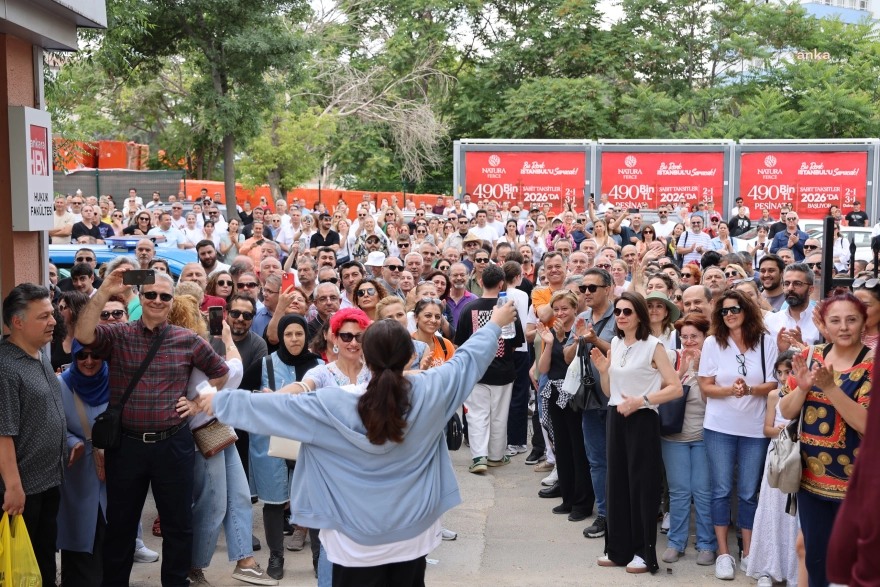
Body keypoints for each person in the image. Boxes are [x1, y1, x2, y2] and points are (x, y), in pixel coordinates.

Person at [199, 301, 517, 586]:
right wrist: (495, 323)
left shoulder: (331, 404)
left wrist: (218, 400)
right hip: (414, 537)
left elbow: (271, 409)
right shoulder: (432, 390)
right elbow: (468, 360)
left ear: (366, 356)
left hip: (351, 544)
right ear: (410, 356)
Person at [74, 269, 230, 587]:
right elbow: (83, 335)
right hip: (127, 447)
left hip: (173, 445)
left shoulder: (187, 339)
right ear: (141, 297)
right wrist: (104, 290)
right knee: (120, 527)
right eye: (151, 294)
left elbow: (221, 371)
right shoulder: (118, 334)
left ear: (172, 301)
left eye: (164, 296)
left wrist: (199, 402)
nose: (158, 300)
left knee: (178, 526)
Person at [163, 296, 273, 586]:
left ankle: (245, 561)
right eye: (198, 314)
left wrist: (200, 399)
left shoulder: (183, 345)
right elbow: (232, 373)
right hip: (200, 435)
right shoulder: (188, 347)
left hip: (216, 429)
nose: (204, 317)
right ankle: (193, 567)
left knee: (238, 496)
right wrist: (226, 338)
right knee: (212, 505)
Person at [780, 288, 873, 587]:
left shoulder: (872, 365)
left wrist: (831, 388)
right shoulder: (810, 355)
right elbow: (785, 409)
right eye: (836, 320)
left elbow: (867, 425)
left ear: (864, 322)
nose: (843, 327)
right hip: (810, 480)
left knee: (856, 561)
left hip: (858, 484)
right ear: (825, 324)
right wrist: (803, 387)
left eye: (851, 320)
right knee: (816, 557)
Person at [591, 292, 683, 574]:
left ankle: (644, 553)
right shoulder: (617, 343)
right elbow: (610, 392)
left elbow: (675, 387)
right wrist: (605, 371)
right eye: (618, 311)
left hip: (642, 419)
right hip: (616, 418)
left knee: (641, 487)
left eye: (627, 311)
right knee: (616, 483)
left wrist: (642, 401)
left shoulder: (654, 346)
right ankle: (618, 549)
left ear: (640, 315)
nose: (620, 316)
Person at [696, 290, 778, 581]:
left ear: (747, 310)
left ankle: (749, 553)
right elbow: (705, 386)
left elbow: (772, 383)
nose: (729, 314)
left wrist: (750, 390)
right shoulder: (712, 343)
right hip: (719, 427)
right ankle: (724, 554)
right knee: (720, 491)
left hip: (755, 429)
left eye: (735, 309)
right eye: (723, 311)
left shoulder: (766, 341)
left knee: (747, 493)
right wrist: (732, 390)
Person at [0, 283, 67, 584]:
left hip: (47, 481)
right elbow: (3, 434)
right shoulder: (5, 367)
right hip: (22, 490)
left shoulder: (38, 354)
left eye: (52, 314)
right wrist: (13, 488)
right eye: (44, 316)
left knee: (43, 562)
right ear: (17, 322)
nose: (53, 321)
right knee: (22, 570)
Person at [454, 265, 525, 472]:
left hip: (476, 370)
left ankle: (479, 458)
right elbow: (515, 342)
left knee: (476, 414)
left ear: (481, 282)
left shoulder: (468, 308)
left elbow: (462, 342)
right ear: (502, 284)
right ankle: (496, 455)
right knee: (499, 415)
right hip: (503, 370)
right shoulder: (508, 308)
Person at [660, 313, 717, 566]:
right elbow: (659, 393)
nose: (689, 341)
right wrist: (681, 373)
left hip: (706, 435)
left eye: (695, 336)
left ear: (706, 337)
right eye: (685, 337)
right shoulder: (672, 357)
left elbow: (714, 402)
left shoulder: (714, 360)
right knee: (679, 491)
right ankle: (676, 541)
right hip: (674, 436)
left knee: (704, 492)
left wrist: (701, 373)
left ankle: (706, 544)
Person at [536, 290, 594, 521]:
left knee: (579, 450)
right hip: (554, 394)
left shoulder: (581, 331)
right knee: (563, 449)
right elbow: (543, 369)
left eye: (565, 308)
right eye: (557, 309)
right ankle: (568, 498)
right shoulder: (550, 332)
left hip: (576, 396)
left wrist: (569, 339)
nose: (560, 313)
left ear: (574, 309)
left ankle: (582, 503)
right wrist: (550, 344)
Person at [747, 350, 801, 587]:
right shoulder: (773, 395)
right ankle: (767, 568)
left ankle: (793, 571)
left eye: (787, 372)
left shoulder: (805, 393)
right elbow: (766, 429)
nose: (782, 377)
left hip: (799, 457)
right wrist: (783, 430)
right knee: (772, 510)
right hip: (777, 454)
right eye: (779, 372)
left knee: (794, 514)